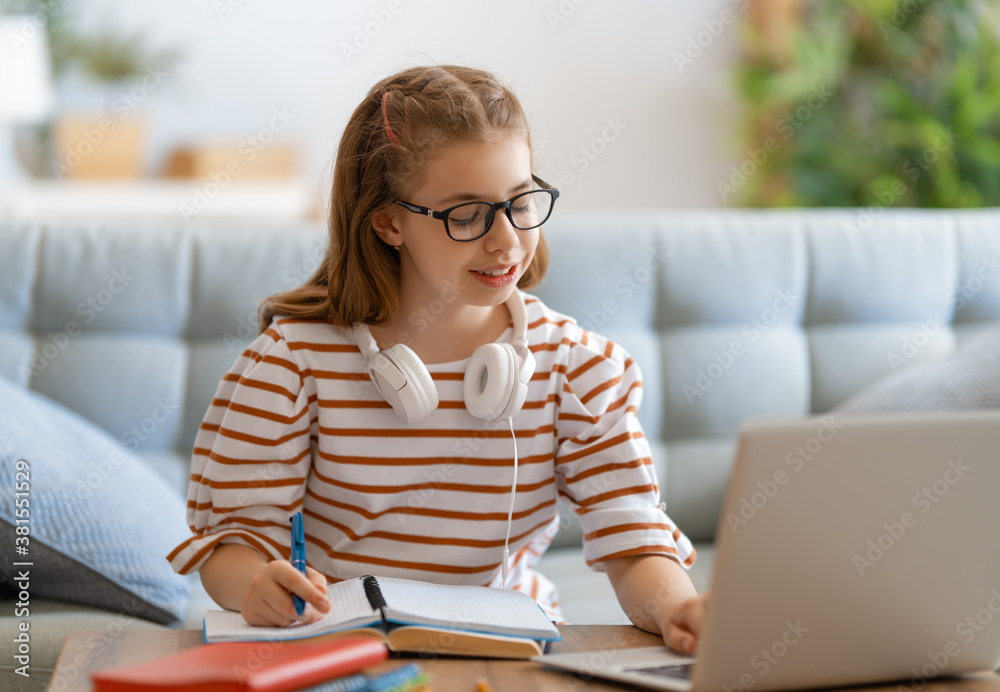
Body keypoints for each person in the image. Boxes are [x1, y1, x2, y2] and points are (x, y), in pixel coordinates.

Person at [167, 64, 708, 655]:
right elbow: (234, 543)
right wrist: (253, 585)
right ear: (388, 221)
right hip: (346, 649)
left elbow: (632, 539)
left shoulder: (574, 368)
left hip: (511, 649)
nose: (505, 240)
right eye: (467, 214)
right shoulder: (291, 365)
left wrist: (678, 606)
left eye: (520, 201)